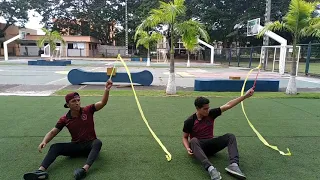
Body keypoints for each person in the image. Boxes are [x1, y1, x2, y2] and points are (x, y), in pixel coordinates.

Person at [23, 80, 113, 180]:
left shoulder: (88, 110)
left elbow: (103, 103)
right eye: (73, 101)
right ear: (68, 104)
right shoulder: (64, 119)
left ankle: (84, 170)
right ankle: (40, 171)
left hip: (90, 146)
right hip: (76, 147)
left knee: (97, 142)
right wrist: (44, 141)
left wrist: (107, 89)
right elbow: (53, 132)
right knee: (55, 147)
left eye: (78, 100)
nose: (77, 103)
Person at [182, 88, 254, 180]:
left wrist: (245, 96)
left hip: (211, 145)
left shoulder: (211, 113)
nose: (207, 111)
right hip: (198, 147)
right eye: (205, 109)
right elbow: (184, 137)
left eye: (208, 108)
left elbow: (228, 105)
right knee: (193, 140)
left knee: (230, 136)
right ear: (198, 109)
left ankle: (234, 165)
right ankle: (211, 169)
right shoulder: (190, 121)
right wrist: (188, 148)